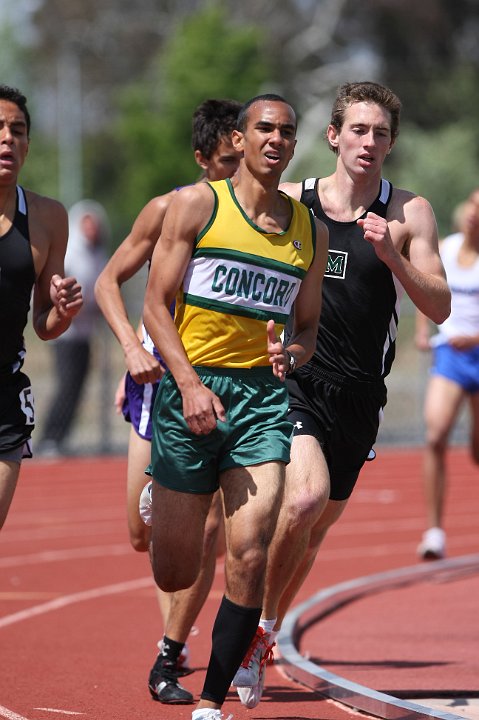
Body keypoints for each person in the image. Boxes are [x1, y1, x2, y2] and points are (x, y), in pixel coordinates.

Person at [232, 81, 451, 709]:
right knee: (304, 499)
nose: (369, 142)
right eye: (358, 130)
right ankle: (247, 627)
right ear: (333, 136)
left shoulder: (410, 213)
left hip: (360, 396)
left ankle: (264, 630)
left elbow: (440, 304)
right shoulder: (295, 202)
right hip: (294, 378)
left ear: (391, 145)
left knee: (313, 530)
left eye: (381, 134)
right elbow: (242, 260)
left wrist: (393, 256)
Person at [142, 93, 328, 720]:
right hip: (191, 392)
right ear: (241, 140)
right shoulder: (198, 204)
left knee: (249, 551)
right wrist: (190, 385)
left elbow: (307, 329)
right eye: (264, 129)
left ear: (295, 146)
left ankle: (212, 702)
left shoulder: (309, 229)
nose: (276, 140)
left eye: (287, 132)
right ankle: (161, 496)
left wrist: (292, 359)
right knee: (174, 569)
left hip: (260, 401)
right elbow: (154, 305)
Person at [95, 99, 242, 704]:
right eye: (229, 162)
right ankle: (174, 628)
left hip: (209, 389)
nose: (241, 174)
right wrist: (132, 349)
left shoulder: (266, 219)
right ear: (203, 158)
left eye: (247, 160)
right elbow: (108, 281)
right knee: (141, 534)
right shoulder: (169, 210)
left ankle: (171, 648)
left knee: (206, 530)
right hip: (152, 387)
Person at [0, 84, 83, 530]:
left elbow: (44, 325)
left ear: (28, 145)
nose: (7, 138)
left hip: (4, 393)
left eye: (17, 130)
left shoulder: (48, 217)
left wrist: (62, 312)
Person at [415, 188, 479, 560]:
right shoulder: (449, 249)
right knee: (436, 435)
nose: (474, 213)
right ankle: (434, 531)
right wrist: (424, 331)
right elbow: (431, 288)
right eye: (472, 204)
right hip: (451, 359)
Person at [38, 199, 109, 456]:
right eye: (86, 224)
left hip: (86, 331)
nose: (91, 230)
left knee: (78, 386)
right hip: (65, 334)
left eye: (95, 224)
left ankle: (61, 438)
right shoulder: (71, 254)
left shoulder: (99, 254)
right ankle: (49, 437)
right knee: (66, 383)